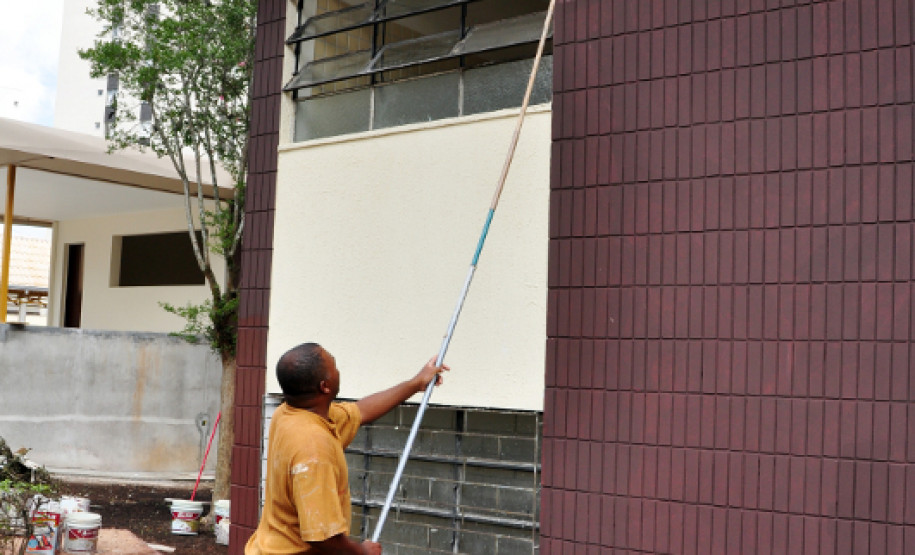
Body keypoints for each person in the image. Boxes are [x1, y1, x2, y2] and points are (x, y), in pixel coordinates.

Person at [244, 342, 448, 555]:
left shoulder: (288, 413)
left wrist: (416, 383)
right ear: (325, 386)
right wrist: (362, 552)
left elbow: (360, 411)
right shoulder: (313, 449)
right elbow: (322, 537)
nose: (338, 370)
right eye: (334, 366)